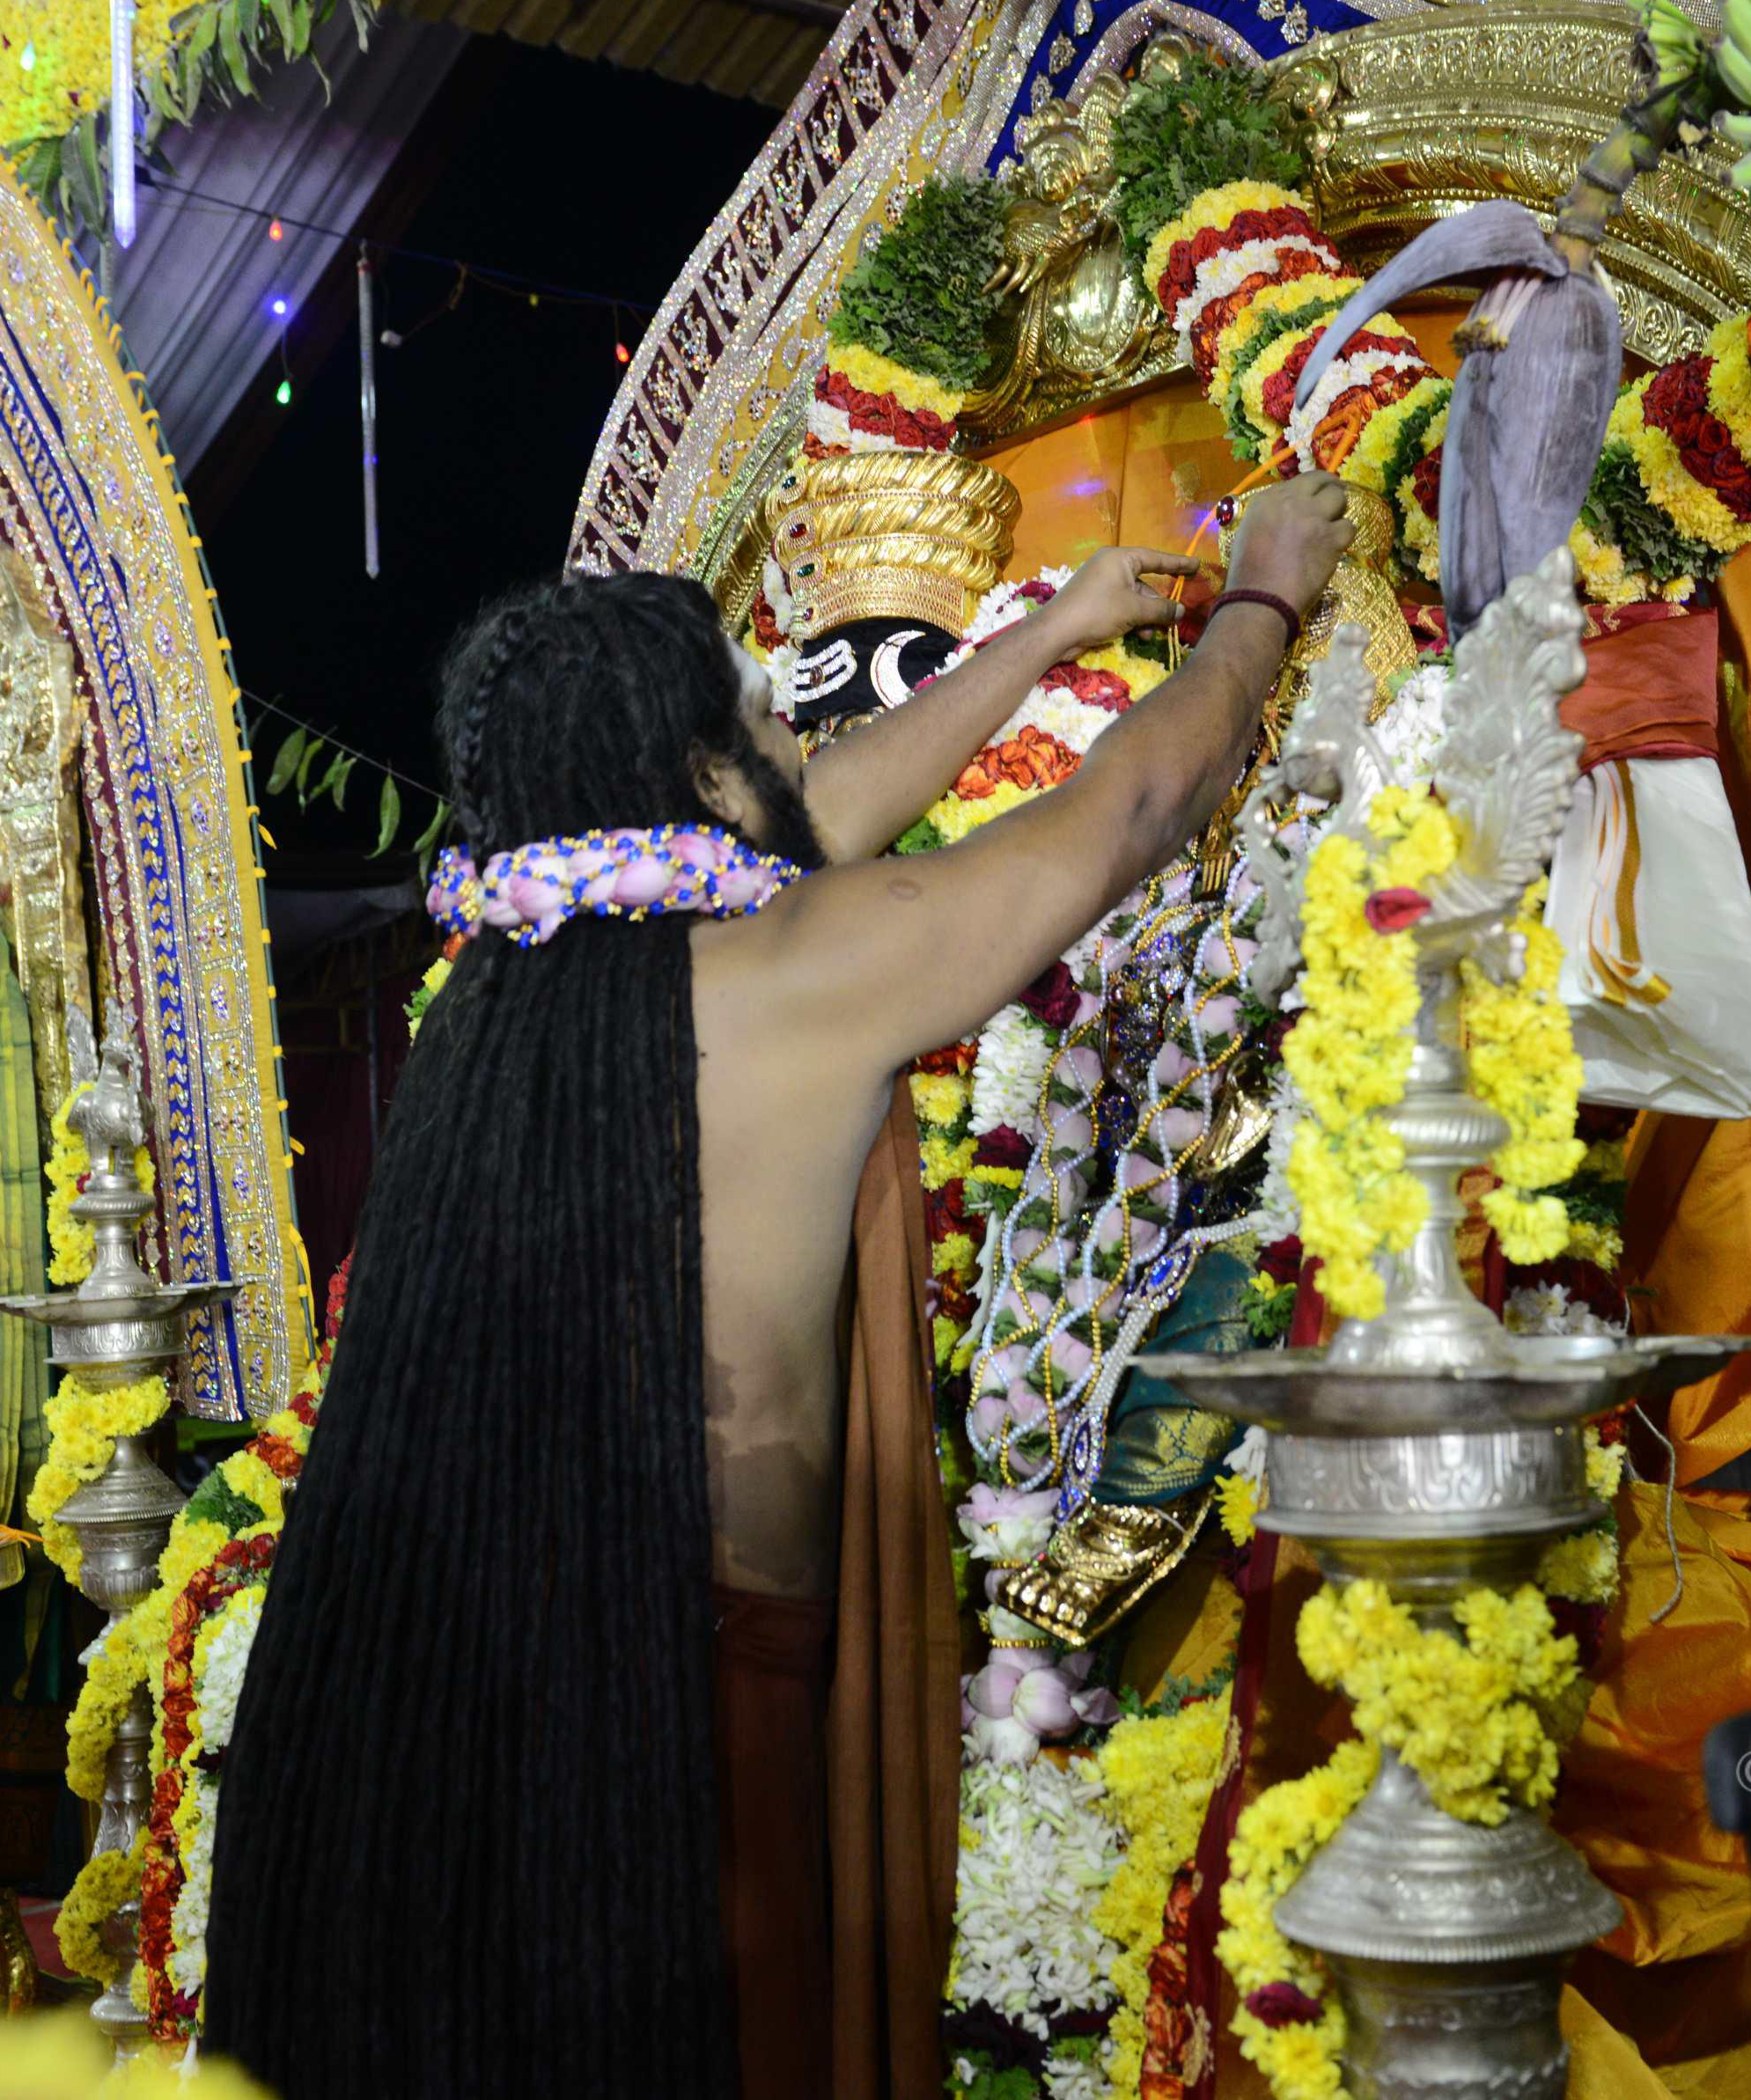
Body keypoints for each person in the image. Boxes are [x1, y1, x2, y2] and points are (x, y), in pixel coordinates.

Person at [204, 476, 1353, 2096]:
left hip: (486, 1686)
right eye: (768, 716)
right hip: (692, 1723)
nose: (803, 739)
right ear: (697, 784)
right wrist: (1265, 599)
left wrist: (1058, 630)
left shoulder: (505, 999)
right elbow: (1130, 811)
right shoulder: (796, 973)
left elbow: (818, 814)